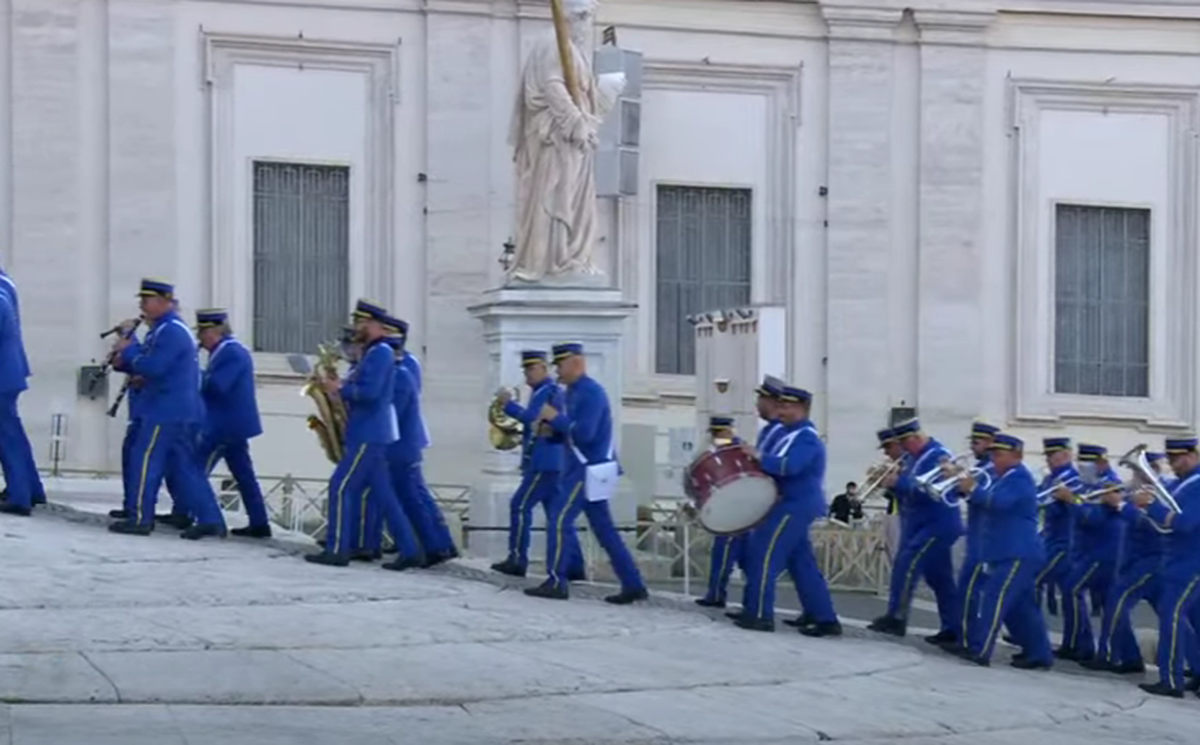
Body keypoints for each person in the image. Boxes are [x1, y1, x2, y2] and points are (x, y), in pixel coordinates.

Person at [507, 0, 626, 282]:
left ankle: (575, 257)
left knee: (578, 202)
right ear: (571, 16)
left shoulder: (574, 49)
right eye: (583, 17)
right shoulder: (554, 41)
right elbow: (553, 88)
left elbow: (582, 97)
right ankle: (556, 259)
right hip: (556, 139)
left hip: (575, 142)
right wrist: (577, 123)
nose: (587, 24)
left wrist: (604, 93)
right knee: (558, 195)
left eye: (590, 17)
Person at [525, 342, 647, 604]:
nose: (557, 371)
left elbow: (585, 434)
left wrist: (554, 417)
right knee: (604, 529)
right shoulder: (572, 392)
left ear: (577, 363)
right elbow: (571, 433)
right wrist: (551, 432)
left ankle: (557, 581)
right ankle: (633, 582)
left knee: (559, 520)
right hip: (585, 468)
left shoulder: (591, 392)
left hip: (587, 470)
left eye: (561, 365)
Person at [107, 279, 226, 539]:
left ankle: (140, 518)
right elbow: (146, 363)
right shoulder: (163, 329)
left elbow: (153, 366)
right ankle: (210, 519)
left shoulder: (171, 331)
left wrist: (129, 347)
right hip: (176, 409)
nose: (142, 306)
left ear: (164, 302)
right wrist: (121, 360)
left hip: (165, 409)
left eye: (146, 301)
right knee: (185, 468)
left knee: (145, 460)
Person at [307, 301, 421, 568]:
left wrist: (339, 389)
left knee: (340, 487)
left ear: (375, 325)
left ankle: (337, 549)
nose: (357, 327)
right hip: (371, 432)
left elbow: (370, 393)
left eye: (361, 322)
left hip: (369, 432)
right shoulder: (375, 352)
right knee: (384, 494)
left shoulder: (380, 353)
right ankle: (409, 549)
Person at [728, 384, 839, 636]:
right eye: (779, 406)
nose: (780, 411)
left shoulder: (806, 437)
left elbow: (790, 466)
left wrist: (759, 456)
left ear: (801, 409)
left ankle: (759, 614)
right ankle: (823, 616)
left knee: (763, 554)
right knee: (801, 563)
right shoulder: (789, 433)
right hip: (787, 502)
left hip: (794, 504)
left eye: (786, 407)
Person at [954, 433, 1053, 669]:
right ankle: (1039, 654)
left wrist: (973, 488)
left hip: (1017, 552)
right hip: (1007, 551)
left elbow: (1000, 503)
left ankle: (981, 650)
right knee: (1021, 608)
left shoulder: (1019, 478)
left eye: (999, 455)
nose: (994, 460)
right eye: (993, 455)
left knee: (994, 599)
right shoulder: (1003, 477)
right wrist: (966, 489)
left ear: (1016, 456)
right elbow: (988, 504)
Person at [370, 316, 458, 567]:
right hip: (403, 440)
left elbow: (393, 409)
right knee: (413, 494)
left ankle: (432, 545)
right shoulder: (401, 367)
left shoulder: (403, 368)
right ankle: (436, 544)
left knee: (410, 497)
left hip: (401, 442)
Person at [491, 350, 584, 580]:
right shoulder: (544, 391)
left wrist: (508, 404)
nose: (527, 374)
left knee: (520, 506)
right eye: (526, 369)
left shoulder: (548, 391)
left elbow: (531, 417)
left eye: (532, 369)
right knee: (556, 515)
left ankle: (517, 558)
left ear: (544, 368)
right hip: (548, 462)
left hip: (545, 462)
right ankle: (574, 564)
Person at [868, 418, 962, 640]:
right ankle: (953, 628)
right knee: (940, 579)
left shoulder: (938, 456)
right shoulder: (913, 457)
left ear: (915, 438)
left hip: (937, 523)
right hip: (917, 524)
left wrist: (897, 483)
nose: (901, 448)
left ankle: (897, 618)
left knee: (906, 565)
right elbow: (908, 494)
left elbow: (928, 491)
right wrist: (887, 484)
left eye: (903, 442)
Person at [194, 309, 271, 539]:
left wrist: (192, 372)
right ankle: (259, 523)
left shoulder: (232, 352)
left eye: (203, 332)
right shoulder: (224, 351)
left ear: (215, 331)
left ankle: (205, 518)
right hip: (232, 424)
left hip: (225, 424)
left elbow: (218, 386)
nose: (200, 338)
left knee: (195, 470)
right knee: (243, 474)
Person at [1137, 436, 1200, 698]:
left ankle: (1171, 681)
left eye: (1178, 458)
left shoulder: (1197, 484)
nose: (1173, 464)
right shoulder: (1181, 483)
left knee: (1171, 614)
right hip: (1179, 560)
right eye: (1171, 459)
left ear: (1193, 455)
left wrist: (1152, 507)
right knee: (1194, 619)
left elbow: (1186, 523)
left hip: (1191, 561)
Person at [1054, 443, 1123, 662]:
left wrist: (1070, 500)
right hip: (1087, 550)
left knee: (1072, 589)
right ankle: (1085, 646)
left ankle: (1081, 645)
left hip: (1102, 552)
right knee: (1108, 604)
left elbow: (1092, 518)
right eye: (1080, 462)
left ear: (1101, 463)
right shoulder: (1089, 483)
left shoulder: (1110, 485)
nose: (1082, 468)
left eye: (1087, 463)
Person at [941, 421, 999, 651]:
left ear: (990, 443)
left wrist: (960, 478)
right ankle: (964, 637)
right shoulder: (981, 467)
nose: (972, 447)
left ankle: (969, 641)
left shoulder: (992, 469)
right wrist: (954, 479)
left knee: (971, 590)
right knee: (967, 589)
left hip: (984, 537)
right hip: (976, 533)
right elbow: (965, 494)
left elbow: (987, 498)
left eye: (977, 442)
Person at [0, 267, 44, 515]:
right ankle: (30, 488)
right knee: (12, 434)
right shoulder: (5, 284)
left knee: (7, 437)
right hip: (9, 372)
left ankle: (19, 496)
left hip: (3, 376)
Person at [695, 414, 749, 609]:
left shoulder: (735, 451)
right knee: (736, 557)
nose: (716, 437)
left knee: (724, 555)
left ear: (728, 431)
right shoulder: (728, 450)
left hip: (735, 511)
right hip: (736, 509)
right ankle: (721, 595)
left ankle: (717, 595)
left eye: (719, 433)